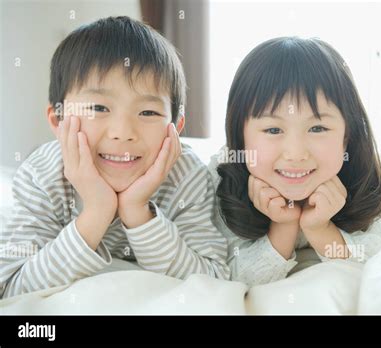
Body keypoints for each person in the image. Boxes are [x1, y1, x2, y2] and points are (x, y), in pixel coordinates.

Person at [0, 16, 229, 299]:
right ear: (58, 120)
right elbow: (12, 288)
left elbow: (214, 278)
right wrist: (96, 212)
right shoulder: (41, 175)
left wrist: (138, 212)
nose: (123, 132)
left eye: (148, 112)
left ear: (176, 128)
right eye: (98, 107)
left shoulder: (187, 175)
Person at [209, 37, 381, 286]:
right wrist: (283, 226)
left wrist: (319, 228)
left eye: (318, 128)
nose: (296, 154)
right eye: (273, 130)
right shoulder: (222, 180)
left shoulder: (361, 175)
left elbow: (376, 263)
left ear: (347, 135)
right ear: (239, 136)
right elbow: (231, 276)